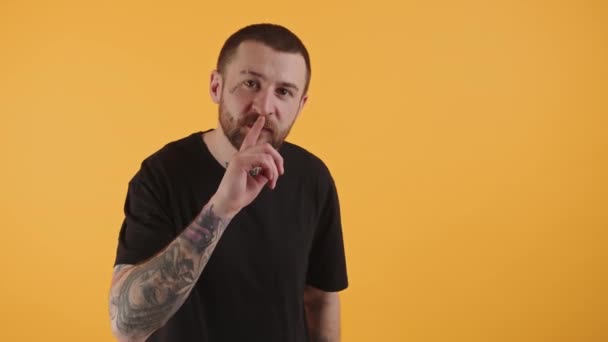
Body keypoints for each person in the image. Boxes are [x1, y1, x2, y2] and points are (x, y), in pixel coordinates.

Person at [109, 23, 348, 342]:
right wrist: (221, 208)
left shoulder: (313, 178)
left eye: (284, 92)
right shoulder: (163, 174)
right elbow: (127, 326)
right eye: (251, 83)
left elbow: (321, 299)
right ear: (216, 86)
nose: (264, 107)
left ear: (300, 105)